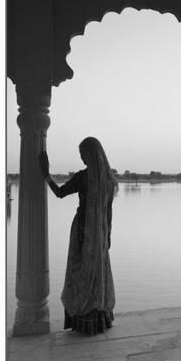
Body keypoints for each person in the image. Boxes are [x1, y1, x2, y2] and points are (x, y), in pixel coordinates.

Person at [39, 137, 118, 336]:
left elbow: (59, 192)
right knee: (96, 275)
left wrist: (46, 174)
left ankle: (83, 321)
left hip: (83, 233)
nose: (81, 157)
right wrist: (107, 235)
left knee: (81, 275)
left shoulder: (84, 177)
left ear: (90, 154)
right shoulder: (108, 179)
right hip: (99, 234)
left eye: (82, 153)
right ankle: (99, 320)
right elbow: (108, 212)